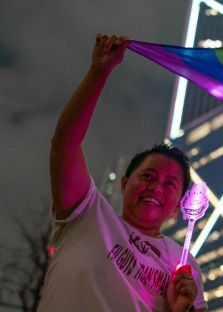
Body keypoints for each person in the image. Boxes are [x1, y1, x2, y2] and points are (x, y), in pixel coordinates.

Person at [39, 34, 207, 311]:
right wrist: (99, 71)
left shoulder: (185, 265)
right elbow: (64, 144)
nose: (156, 187)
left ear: (179, 205)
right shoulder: (86, 214)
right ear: (125, 183)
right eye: (148, 176)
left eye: (170, 184)